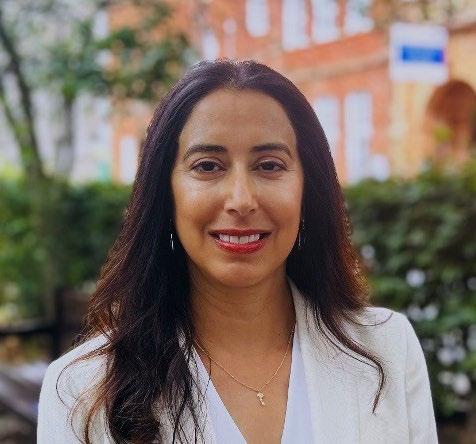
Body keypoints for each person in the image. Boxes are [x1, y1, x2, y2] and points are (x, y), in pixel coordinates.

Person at [37, 59, 438, 444]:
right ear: (165, 192)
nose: (241, 200)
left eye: (269, 165)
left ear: (307, 188)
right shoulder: (83, 392)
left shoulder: (387, 351)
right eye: (208, 166)